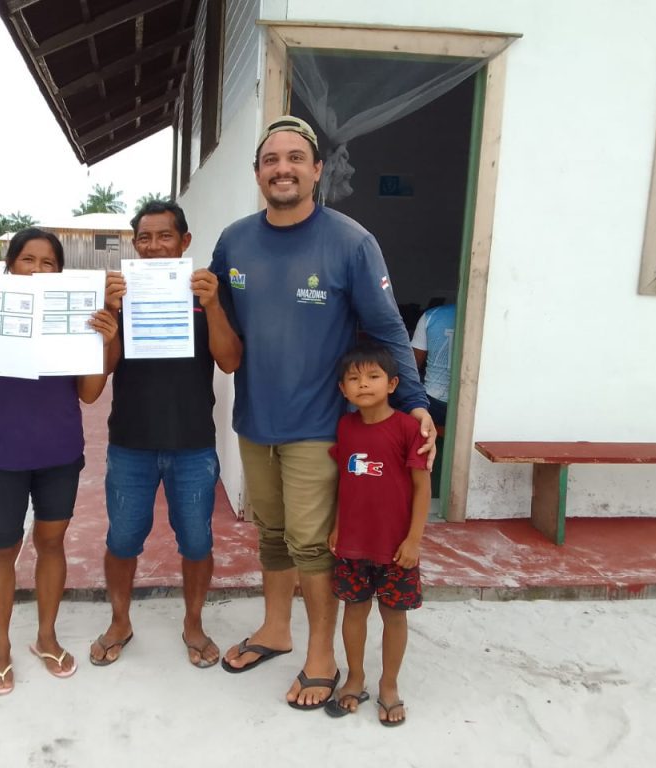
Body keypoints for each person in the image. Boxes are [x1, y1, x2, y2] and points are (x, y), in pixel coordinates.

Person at [209, 115, 435, 709]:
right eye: (270, 159)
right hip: (255, 418)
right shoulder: (234, 240)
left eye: (294, 158)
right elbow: (218, 322)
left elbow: (387, 328)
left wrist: (414, 403)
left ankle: (321, 656)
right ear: (257, 173)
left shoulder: (350, 241)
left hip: (320, 425)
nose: (282, 168)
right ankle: (275, 629)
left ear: (316, 170)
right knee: (272, 534)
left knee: (311, 544)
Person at [0, 228, 117, 695]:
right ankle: (0, 648)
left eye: (48, 263)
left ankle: (46, 637)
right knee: (3, 548)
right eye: (28, 260)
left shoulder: (76, 318)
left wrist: (104, 344)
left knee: (51, 542)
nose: (38, 269)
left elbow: (89, 394)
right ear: (10, 266)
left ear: (59, 272)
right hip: (1, 453)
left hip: (59, 452)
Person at [89, 201, 242, 668]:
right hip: (130, 441)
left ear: (184, 241)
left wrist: (212, 305)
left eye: (164, 236)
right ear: (134, 244)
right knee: (122, 541)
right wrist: (109, 313)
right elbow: (104, 369)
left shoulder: (208, 293)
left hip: (192, 443)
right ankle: (120, 621)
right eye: (144, 238)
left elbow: (230, 361)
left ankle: (193, 623)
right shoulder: (119, 294)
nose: (154, 246)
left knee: (196, 542)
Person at [324, 342, 430, 726]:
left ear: (392, 384)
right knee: (354, 610)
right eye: (354, 379)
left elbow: (422, 487)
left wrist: (414, 540)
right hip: (353, 544)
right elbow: (344, 482)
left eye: (373, 376)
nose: (364, 384)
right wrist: (338, 525)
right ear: (343, 389)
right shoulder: (345, 428)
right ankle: (355, 678)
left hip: (396, 547)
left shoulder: (407, 428)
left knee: (394, 615)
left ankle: (389, 685)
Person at [411, 302, 456, 426]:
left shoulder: (431, 315)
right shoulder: (490, 317)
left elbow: (413, 364)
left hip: (434, 404)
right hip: (474, 405)